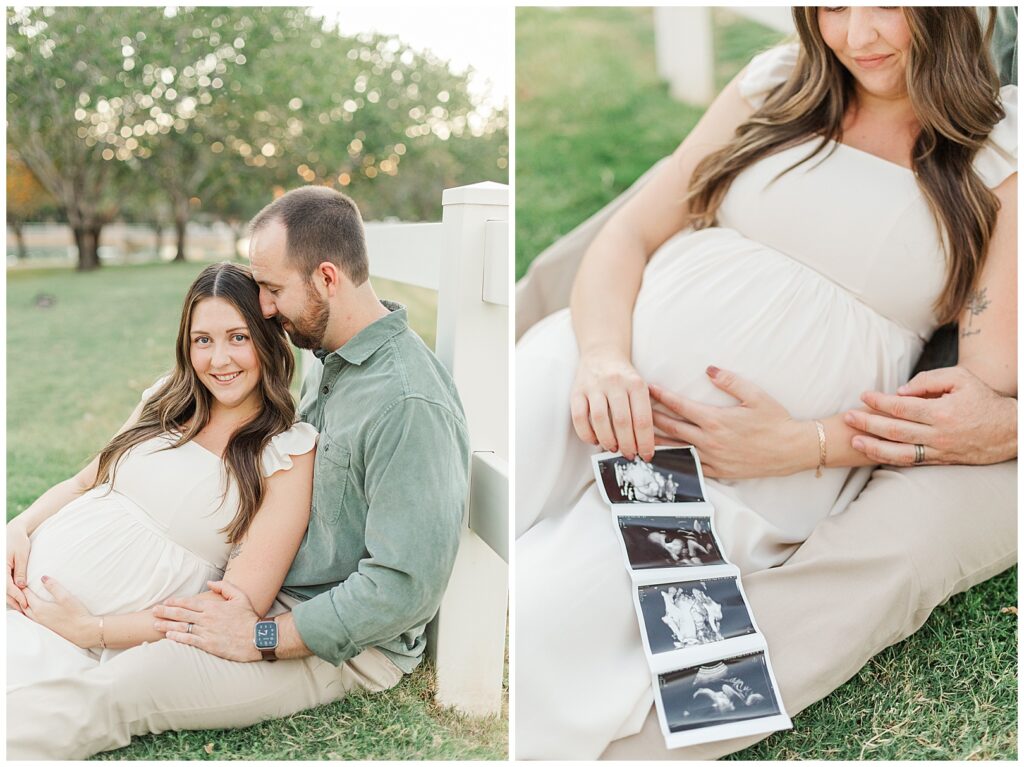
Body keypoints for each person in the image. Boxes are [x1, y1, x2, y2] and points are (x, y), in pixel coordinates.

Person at [515, 7, 1016, 759]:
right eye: (832, 7)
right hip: (592, 372)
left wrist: (804, 444)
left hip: (729, 470)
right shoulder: (779, 80)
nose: (858, 36)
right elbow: (628, 232)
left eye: (885, 2)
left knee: (541, 627)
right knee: (465, 493)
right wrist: (602, 356)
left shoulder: (999, 155)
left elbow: (978, 405)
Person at [7, 187, 471, 760]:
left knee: (122, 689)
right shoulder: (335, 362)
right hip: (263, 605)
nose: (267, 308)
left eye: (273, 291)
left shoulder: (405, 401)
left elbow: (403, 589)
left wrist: (262, 635)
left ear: (327, 278)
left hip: (333, 639)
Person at [6, 262, 317, 692]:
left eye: (238, 338)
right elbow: (83, 483)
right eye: (202, 340)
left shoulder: (287, 453)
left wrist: (91, 629)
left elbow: (231, 609)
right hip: (19, 590)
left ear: (266, 342)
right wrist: (19, 527)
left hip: (81, 641)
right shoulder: (167, 399)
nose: (219, 359)